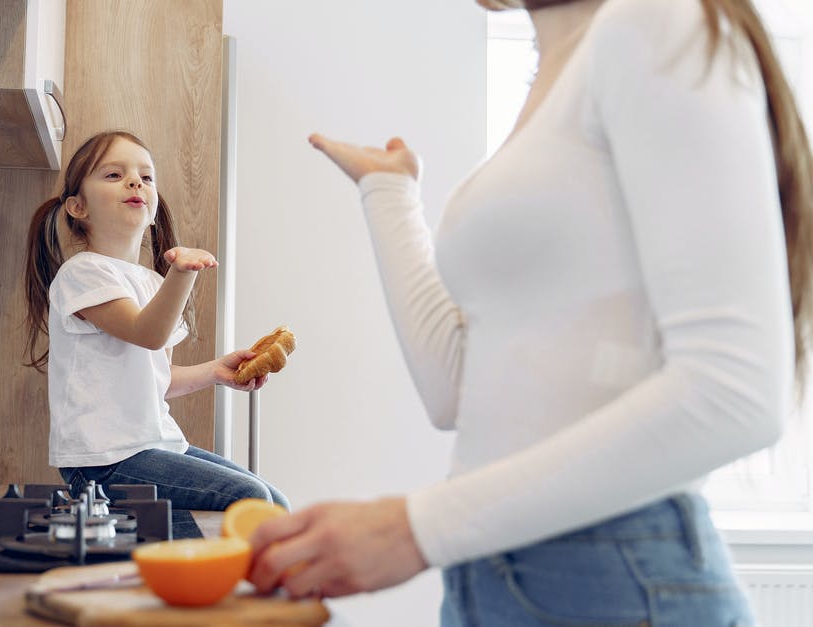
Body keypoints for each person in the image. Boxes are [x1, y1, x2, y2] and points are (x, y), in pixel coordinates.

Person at [248, 0, 813, 624]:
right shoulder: (561, 69)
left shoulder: (657, 19)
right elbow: (457, 391)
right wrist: (388, 193)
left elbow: (737, 392)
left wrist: (411, 530)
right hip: (490, 570)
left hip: (610, 574)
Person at [22, 130, 289, 511]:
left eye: (146, 177)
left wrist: (217, 371)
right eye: (113, 175)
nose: (135, 182)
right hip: (104, 463)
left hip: (153, 445)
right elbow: (147, 333)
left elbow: (156, 379)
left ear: (152, 207)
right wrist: (183, 272)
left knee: (274, 503)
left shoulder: (150, 282)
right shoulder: (82, 273)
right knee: (251, 499)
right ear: (77, 207)